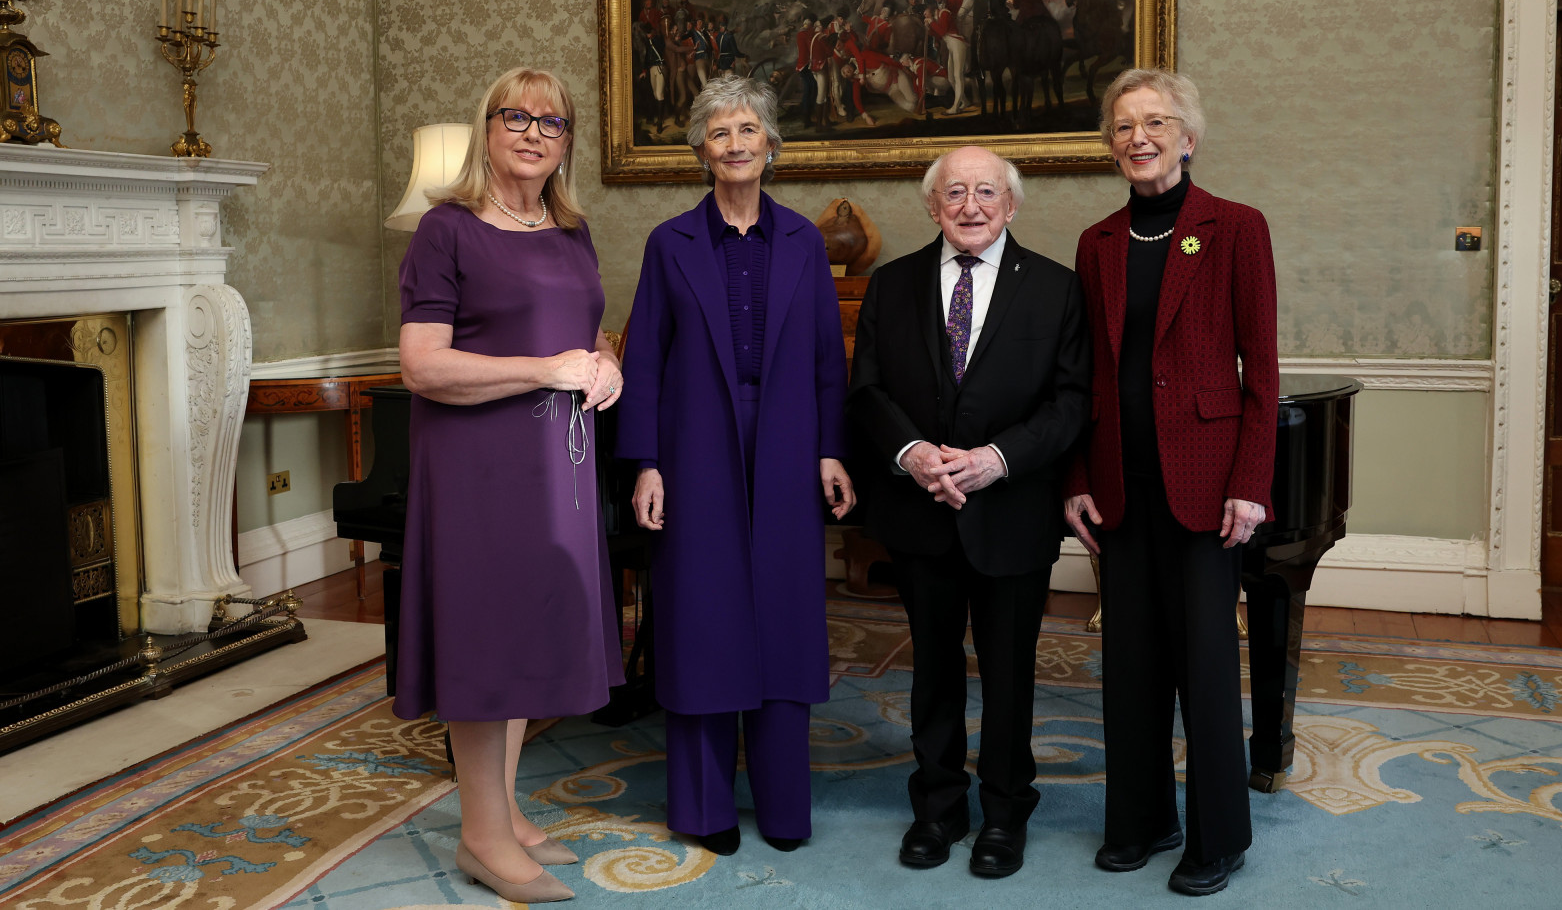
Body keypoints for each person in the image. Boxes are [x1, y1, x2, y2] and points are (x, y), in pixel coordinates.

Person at [395, 67, 626, 904]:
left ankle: (505, 809)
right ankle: (482, 836)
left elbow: (584, 332)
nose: (533, 132)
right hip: (476, 466)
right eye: (515, 116)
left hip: (558, 464)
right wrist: (546, 368)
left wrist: (606, 365)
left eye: (552, 122)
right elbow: (421, 364)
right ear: (485, 128)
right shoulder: (444, 230)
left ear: (567, 143)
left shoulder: (571, 230)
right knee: (487, 637)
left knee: (531, 630)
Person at [617, 74, 855, 856]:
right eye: (719, 132)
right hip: (694, 446)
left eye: (748, 129)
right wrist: (646, 463)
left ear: (771, 146)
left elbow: (828, 359)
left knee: (784, 616)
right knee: (701, 618)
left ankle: (785, 806)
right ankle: (702, 806)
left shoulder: (805, 241)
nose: (735, 143)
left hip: (786, 439)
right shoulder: (669, 243)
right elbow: (645, 361)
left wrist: (830, 449)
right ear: (700, 151)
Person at [847, 146, 1090, 879]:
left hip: (1011, 508)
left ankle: (1006, 811)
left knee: (1010, 672)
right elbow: (867, 392)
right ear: (933, 204)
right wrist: (917, 454)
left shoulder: (1056, 289)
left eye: (987, 191)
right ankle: (939, 806)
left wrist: (993, 460)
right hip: (921, 508)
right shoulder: (889, 285)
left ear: (1011, 205)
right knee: (933, 670)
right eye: (955, 192)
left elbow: (1071, 402)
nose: (971, 205)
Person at [1064, 68, 1277, 897]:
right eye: (1123, 126)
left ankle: (1219, 835)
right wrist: (1077, 476)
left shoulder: (1235, 228)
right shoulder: (1099, 242)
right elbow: (1085, 375)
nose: (1138, 138)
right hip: (1121, 483)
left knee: (1206, 668)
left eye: (1156, 122)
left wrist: (1249, 482)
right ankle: (1142, 819)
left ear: (1189, 138)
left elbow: (1261, 368)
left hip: (1205, 482)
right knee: (1131, 662)